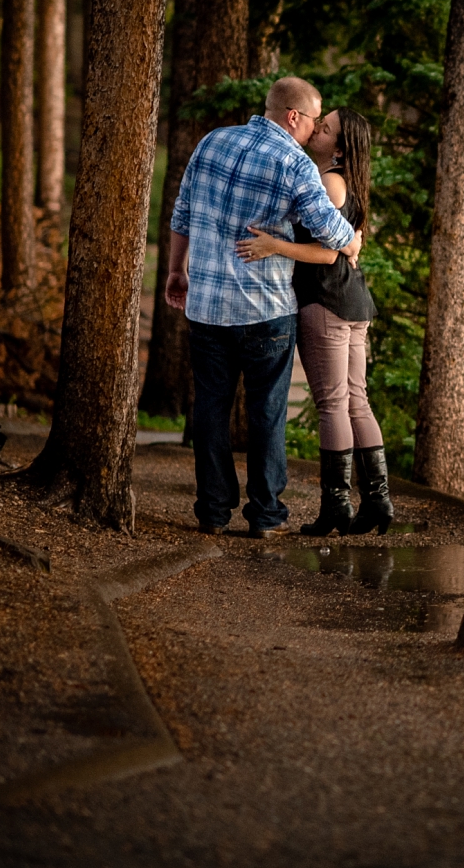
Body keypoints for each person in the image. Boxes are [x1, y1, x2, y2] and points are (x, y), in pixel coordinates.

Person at [165, 77, 357, 537]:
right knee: (266, 414)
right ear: (294, 116)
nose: (315, 131)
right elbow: (329, 229)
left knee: (210, 409)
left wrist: (177, 271)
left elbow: (183, 212)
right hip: (264, 310)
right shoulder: (294, 162)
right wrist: (352, 240)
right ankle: (266, 516)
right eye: (314, 120)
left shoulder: (213, 141)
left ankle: (212, 512)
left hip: (206, 307)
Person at [233, 107, 391, 537]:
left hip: (327, 299)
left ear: (339, 148)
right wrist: (349, 244)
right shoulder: (347, 181)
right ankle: (378, 501)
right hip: (353, 300)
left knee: (333, 404)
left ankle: (337, 506)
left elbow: (326, 252)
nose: (316, 129)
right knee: (357, 401)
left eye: (325, 129)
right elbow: (346, 242)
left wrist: (273, 245)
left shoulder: (329, 181)